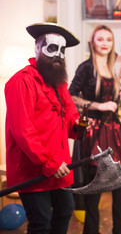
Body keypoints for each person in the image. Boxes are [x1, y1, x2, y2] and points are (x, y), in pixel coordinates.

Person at [4, 22, 81, 233]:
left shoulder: (59, 82)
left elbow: (70, 119)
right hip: (33, 169)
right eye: (52, 48)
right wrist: (48, 161)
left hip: (60, 166)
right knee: (41, 223)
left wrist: (80, 126)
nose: (58, 55)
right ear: (37, 48)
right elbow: (23, 130)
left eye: (62, 50)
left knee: (66, 210)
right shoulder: (20, 82)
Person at [69, 24, 121, 234]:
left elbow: (114, 103)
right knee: (94, 189)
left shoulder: (112, 68)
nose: (105, 43)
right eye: (100, 39)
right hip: (94, 134)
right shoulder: (86, 67)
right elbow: (71, 96)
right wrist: (98, 106)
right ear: (92, 42)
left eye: (108, 39)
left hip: (114, 133)